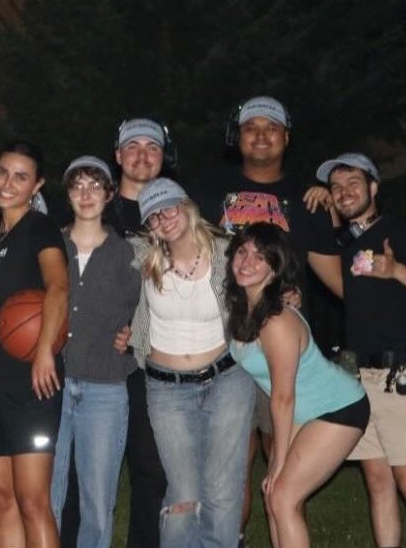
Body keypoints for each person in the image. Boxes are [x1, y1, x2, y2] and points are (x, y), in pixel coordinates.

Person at [191, 96, 340, 540]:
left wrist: (396, 296)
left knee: (285, 465)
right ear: (236, 137)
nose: (260, 134)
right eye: (250, 127)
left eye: (270, 127)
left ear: (286, 138)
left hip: (277, 352)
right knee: (230, 463)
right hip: (221, 346)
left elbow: (338, 278)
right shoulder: (206, 191)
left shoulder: (307, 201)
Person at [315, 153, 406, 548]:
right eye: (336, 187)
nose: (344, 192)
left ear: (373, 187)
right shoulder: (345, 242)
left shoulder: (398, 232)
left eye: (354, 182)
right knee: (377, 480)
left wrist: (397, 272)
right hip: (359, 379)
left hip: (399, 377)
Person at [120, 178, 255, 548]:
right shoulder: (139, 255)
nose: (164, 219)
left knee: (223, 491)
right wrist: (124, 333)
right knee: (183, 494)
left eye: (169, 207)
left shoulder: (229, 252)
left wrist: (285, 293)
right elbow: (91, 257)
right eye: (154, 216)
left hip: (228, 379)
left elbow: (270, 274)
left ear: (186, 205)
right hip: (166, 388)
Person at [225, 223, 369, 548]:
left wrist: (277, 460)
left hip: (337, 409)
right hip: (308, 413)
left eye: (260, 257)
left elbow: (283, 396)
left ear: (274, 269)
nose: (247, 262)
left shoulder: (275, 321)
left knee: (283, 497)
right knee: (276, 496)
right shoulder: (243, 309)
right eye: (242, 251)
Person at [0, 140, 68, 548]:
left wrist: (43, 351)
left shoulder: (39, 227)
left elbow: (58, 288)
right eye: (2, 172)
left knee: (32, 500)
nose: (8, 183)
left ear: (36, 185)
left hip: (30, 384)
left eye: (20, 176)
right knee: (2, 498)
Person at [47, 157, 141, 548]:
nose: (86, 194)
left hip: (105, 387)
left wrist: (136, 337)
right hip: (50, 384)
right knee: (47, 495)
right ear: (68, 194)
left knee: (98, 502)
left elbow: (152, 305)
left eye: (94, 185)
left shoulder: (130, 253)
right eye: (77, 186)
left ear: (109, 193)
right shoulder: (50, 246)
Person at [86, 118, 170, 548]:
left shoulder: (176, 213)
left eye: (151, 148)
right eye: (132, 147)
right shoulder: (93, 209)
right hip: (97, 360)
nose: (141, 155)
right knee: (88, 473)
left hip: (153, 359)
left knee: (151, 469)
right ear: (117, 156)